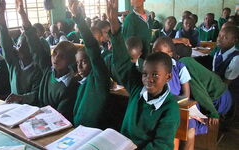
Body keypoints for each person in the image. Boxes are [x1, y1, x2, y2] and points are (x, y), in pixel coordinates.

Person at [107, 0, 180, 148]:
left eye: (155, 75)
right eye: (145, 74)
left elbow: (161, 146)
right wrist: (114, 23)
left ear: (168, 77)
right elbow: (122, 61)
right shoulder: (137, 89)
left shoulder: (169, 108)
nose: (148, 80)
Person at [16, 0, 79, 121]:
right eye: (54, 54)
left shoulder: (70, 86)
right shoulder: (48, 70)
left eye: (62, 56)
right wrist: (23, 15)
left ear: (70, 61)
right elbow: (35, 44)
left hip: (53, 125)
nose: (56, 58)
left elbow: (60, 118)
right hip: (39, 117)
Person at [174, 43, 232, 150]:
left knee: (191, 116)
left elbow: (198, 91)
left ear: (176, 56)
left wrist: (213, 113)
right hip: (224, 93)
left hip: (219, 99)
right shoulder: (188, 60)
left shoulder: (183, 64)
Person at [68, 1, 110, 128]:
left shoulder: (99, 79)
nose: (79, 67)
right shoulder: (81, 82)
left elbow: (93, 49)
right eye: (77, 63)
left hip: (93, 134)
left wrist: (78, 18)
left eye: (84, 62)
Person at [0, 0, 42, 105]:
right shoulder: (14, 63)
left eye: (23, 46)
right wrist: (1, 15)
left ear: (31, 50)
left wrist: (20, 97)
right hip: (13, 107)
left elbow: (37, 93)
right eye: (18, 45)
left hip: (29, 109)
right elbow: (6, 44)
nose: (18, 48)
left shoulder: (36, 69)